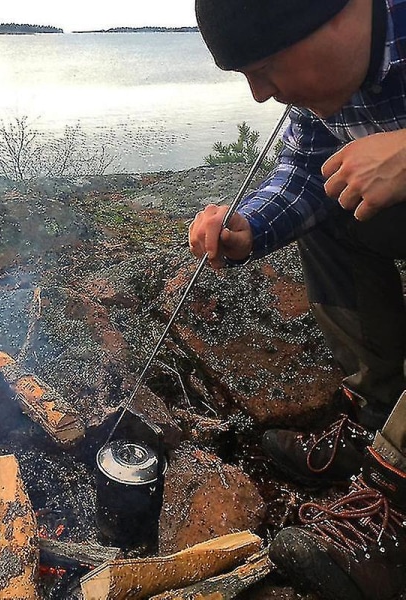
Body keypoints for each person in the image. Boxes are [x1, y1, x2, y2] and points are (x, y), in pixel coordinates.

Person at [190, 0, 406, 598]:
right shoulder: (326, 90)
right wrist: (249, 228)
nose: (260, 95)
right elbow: (307, 169)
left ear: (342, 15)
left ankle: (397, 509)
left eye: (264, 67)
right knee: (335, 205)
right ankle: (377, 418)